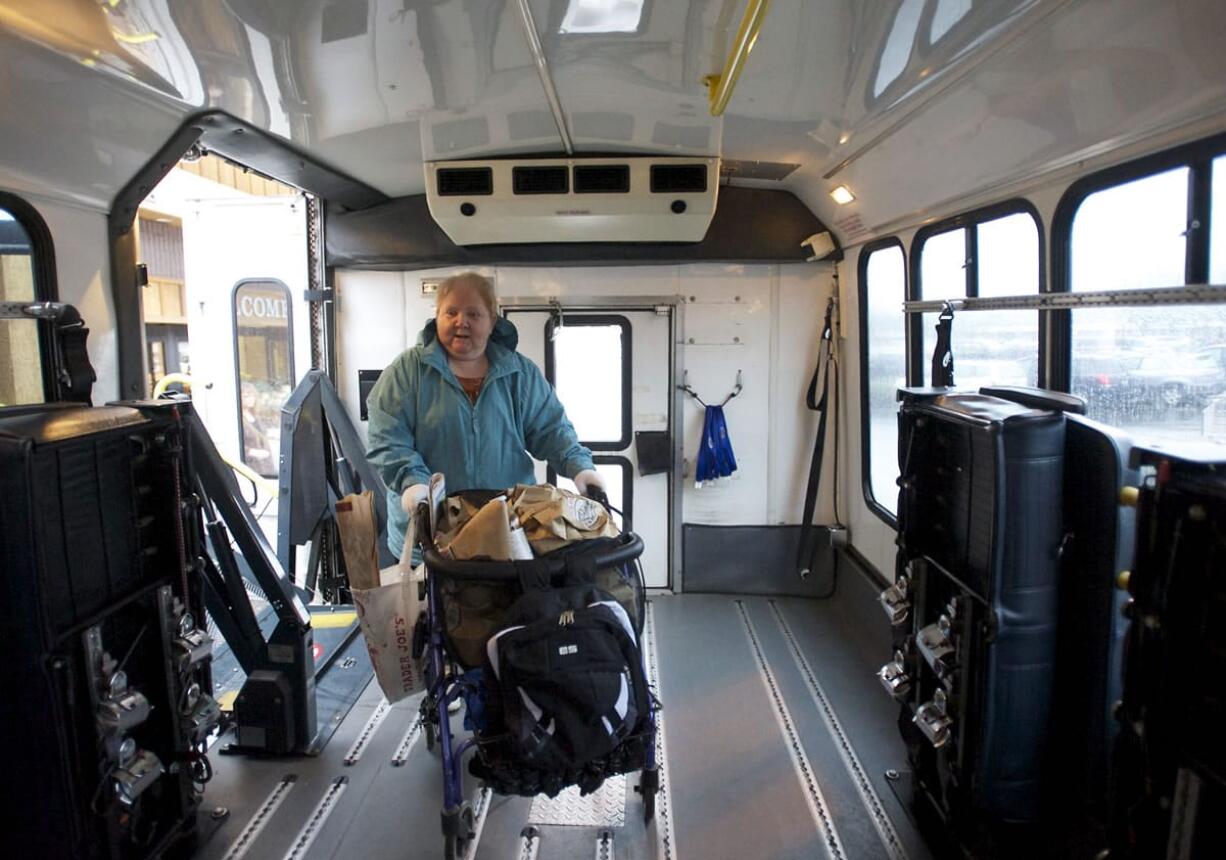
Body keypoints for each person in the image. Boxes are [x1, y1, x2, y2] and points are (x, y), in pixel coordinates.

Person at [366, 271, 605, 560]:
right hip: (431, 541)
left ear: (492, 321)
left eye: (474, 314)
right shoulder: (406, 372)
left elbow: (552, 429)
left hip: (508, 534)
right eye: (450, 312)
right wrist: (414, 484)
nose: (461, 322)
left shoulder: (520, 374)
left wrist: (580, 468)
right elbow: (388, 439)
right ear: (436, 315)